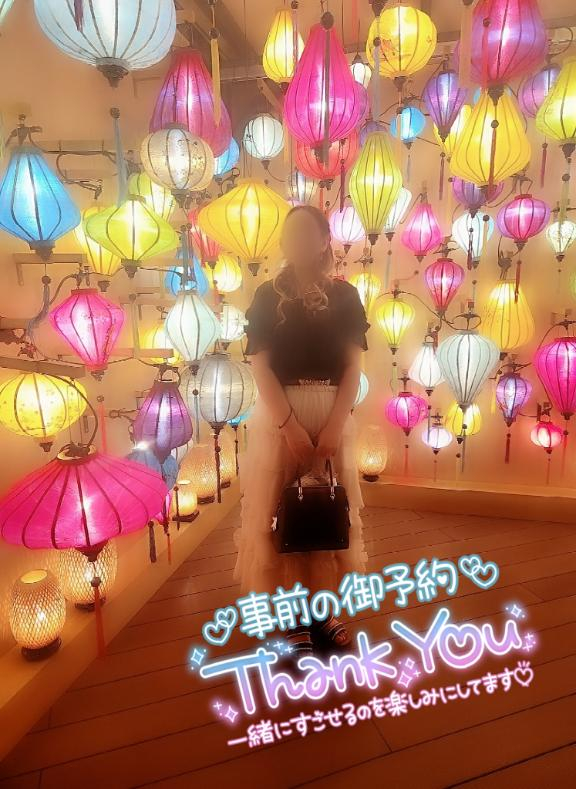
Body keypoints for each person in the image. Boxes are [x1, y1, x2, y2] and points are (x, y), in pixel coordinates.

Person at [232, 204, 370, 659]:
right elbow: (261, 366)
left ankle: (323, 610)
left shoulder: (346, 296)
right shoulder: (267, 296)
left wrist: (335, 425)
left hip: (332, 410)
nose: (298, 241)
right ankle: (292, 616)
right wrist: (289, 426)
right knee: (283, 514)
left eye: (307, 233)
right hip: (280, 414)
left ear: (325, 240)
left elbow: (352, 368)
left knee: (327, 509)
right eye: (290, 233)